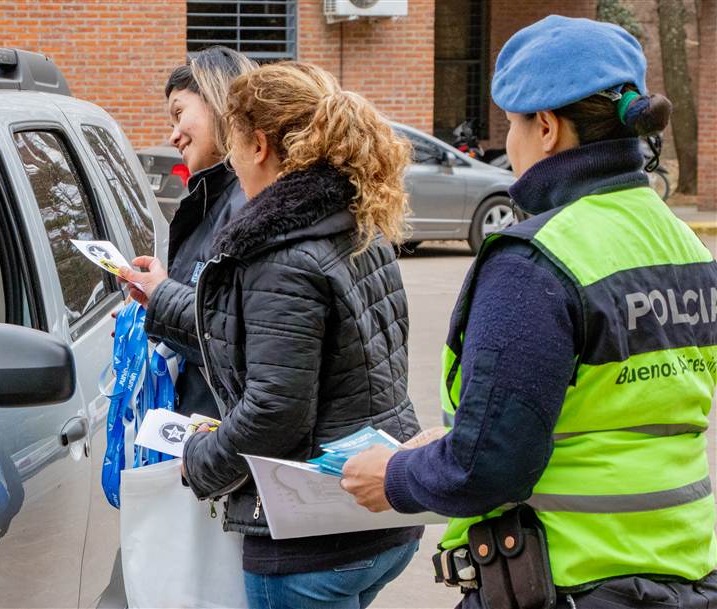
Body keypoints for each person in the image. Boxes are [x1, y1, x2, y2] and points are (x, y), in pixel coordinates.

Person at [339, 15, 717, 609]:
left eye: (511, 124)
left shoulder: (536, 259)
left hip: (568, 581)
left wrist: (393, 477)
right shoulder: (686, 246)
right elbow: (620, 413)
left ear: (545, 128)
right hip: (685, 572)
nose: (508, 145)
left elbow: (489, 467)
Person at [121, 62, 422, 609]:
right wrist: (163, 295)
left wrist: (201, 459)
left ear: (258, 145)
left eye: (235, 143)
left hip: (311, 541)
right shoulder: (350, 219)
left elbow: (275, 411)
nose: (232, 162)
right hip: (377, 519)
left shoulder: (279, 252)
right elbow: (260, 332)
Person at [137, 45, 256, 419]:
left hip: (231, 448)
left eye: (179, 113)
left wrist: (162, 298)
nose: (173, 136)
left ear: (220, 102)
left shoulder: (248, 203)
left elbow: (238, 335)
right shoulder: (213, 198)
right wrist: (153, 307)